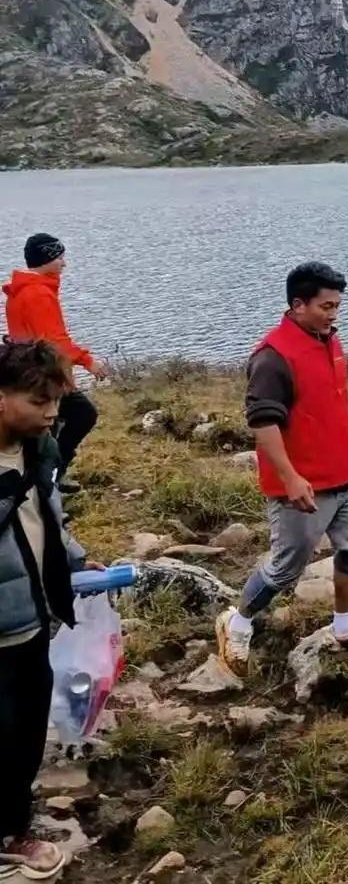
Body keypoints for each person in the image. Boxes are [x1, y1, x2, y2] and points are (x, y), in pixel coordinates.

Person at [217, 262, 348, 675]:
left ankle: (345, 624)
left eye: (337, 306)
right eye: (326, 306)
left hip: (344, 475)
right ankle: (237, 623)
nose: (333, 314)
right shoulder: (273, 357)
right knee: (286, 567)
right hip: (304, 484)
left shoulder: (328, 340)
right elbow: (263, 422)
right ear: (297, 304)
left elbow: (329, 403)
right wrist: (290, 477)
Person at [0, 340, 101, 879]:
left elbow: (50, 522)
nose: (52, 412)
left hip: (33, 618)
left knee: (26, 730)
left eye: (55, 399)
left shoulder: (38, 451)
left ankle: (14, 828)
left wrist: (78, 564)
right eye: (38, 400)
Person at [3, 235, 108, 493]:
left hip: (26, 373)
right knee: (83, 416)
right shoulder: (38, 293)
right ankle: (48, 479)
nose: (64, 263)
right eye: (60, 257)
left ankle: (40, 479)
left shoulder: (21, 290)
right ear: (47, 259)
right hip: (44, 374)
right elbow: (54, 341)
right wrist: (88, 361)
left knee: (43, 430)